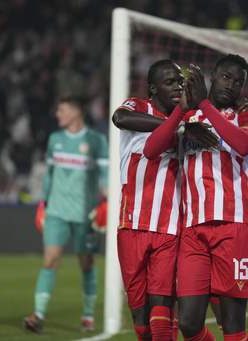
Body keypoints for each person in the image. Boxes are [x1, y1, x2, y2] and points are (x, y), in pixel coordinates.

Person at [144, 54, 248, 341]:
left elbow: (245, 145)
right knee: (188, 323)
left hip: (234, 225)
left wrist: (205, 106)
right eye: (226, 77)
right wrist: (181, 116)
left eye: (239, 82)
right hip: (193, 230)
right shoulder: (187, 115)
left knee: (233, 324)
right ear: (213, 76)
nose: (232, 85)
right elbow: (150, 150)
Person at [112, 59, 222, 341]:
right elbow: (119, 119)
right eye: (170, 82)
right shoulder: (138, 107)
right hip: (131, 224)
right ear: (153, 89)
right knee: (141, 323)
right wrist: (179, 128)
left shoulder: (191, 118)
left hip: (170, 228)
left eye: (180, 82)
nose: (177, 86)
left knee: (162, 317)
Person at [23, 95, 109, 334]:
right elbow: (50, 174)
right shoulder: (55, 139)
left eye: (61, 110)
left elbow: (106, 173)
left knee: (86, 263)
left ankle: (88, 315)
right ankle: (38, 314)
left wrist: (107, 202)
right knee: (50, 260)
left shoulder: (97, 141)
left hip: (86, 215)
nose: (57, 114)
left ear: (75, 112)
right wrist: (43, 204)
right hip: (57, 212)